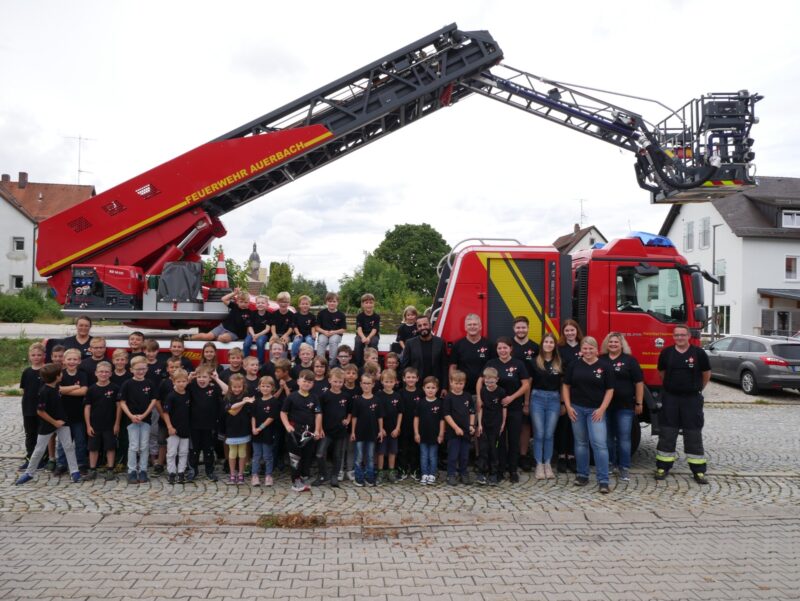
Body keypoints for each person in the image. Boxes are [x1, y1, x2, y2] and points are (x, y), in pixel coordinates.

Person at [655, 325, 712, 485]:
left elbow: (706, 374)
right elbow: (662, 373)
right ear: (673, 337)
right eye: (676, 335)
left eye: (682, 335)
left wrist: (698, 389)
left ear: (688, 336)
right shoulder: (666, 353)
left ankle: (698, 471)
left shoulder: (698, 353)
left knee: (693, 434)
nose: (679, 338)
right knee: (667, 433)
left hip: (691, 399)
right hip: (671, 398)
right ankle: (663, 467)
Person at [563, 336, 614, 494]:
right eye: (585, 348)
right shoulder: (574, 365)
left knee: (599, 444)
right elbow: (566, 386)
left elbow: (610, 390)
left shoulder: (605, 366)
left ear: (596, 349)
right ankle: (582, 475)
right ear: (581, 350)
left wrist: (602, 409)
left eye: (591, 348)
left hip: (595, 411)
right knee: (581, 444)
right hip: (577, 409)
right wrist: (568, 406)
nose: (587, 351)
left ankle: (603, 480)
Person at [16, 364, 81, 485]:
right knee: (39, 449)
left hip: (62, 422)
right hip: (48, 425)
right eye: (61, 373)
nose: (62, 374)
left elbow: (63, 389)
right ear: (57, 377)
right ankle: (29, 473)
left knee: (69, 447)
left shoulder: (56, 387)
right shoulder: (44, 391)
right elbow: (40, 411)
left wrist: (76, 386)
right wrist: (54, 422)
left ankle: (74, 472)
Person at [477, 337, 530, 483]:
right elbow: (480, 380)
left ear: (510, 348)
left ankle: (512, 470)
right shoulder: (491, 363)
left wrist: (512, 398)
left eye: (505, 348)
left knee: (513, 439)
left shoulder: (518, 364)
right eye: (499, 348)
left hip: (514, 408)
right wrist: (480, 398)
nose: (502, 350)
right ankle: (499, 470)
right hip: (495, 412)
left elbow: (525, 385)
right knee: (498, 440)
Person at [601, 332, 644, 482]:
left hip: (624, 406)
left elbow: (638, 383)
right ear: (606, 344)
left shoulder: (630, 361)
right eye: (610, 342)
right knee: (607, 438)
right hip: (604, 407)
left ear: (621, 344)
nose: (613, 344)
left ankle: (624, 468)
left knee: (624, 438)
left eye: (616, 342)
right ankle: (611, 464)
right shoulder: (601, 359)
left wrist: (639, 402)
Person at [280, 369, 323, 492]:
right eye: (304, 381)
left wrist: (318, 430)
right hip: (294, 432)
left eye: (310, 382)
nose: (306, 384)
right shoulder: (291, 397)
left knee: (307, 456)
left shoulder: (314, 397)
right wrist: (287, 425)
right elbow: (283, 413)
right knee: (295, 457)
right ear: (298, 381)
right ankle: (296, 481)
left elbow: (318, 414)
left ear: (313, 384)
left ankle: (304, 477)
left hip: (309, 433)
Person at [118, 356, 158, 484]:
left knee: (144, 445)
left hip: (145, 420)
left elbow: (153, 400)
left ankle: (143, 470)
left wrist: (144, 414)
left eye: (143, 369)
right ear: (131, 369)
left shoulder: (150, 383)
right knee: (134, 446)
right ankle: (132, 471)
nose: (141, 371)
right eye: (138, 369)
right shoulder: (127, 384)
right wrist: (131, 416)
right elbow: (122, 402)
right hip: (131, 420)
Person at [529, 332, 562, 480]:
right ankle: (539, 465)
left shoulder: (559, 362)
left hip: (554, 399)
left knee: (549, 434)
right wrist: (526, 402)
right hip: (537, 398)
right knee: (539, 434)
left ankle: (547, 464)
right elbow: (528, 383)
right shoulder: (535, 362)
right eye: (546, 342)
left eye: (551, 342)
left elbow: (563, 385)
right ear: (542, 345)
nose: (548, 344)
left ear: (554, 345)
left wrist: (562, 403)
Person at [83, 361, 120, 481]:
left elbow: (119, 407)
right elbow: (87, 407)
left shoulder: (115, 388)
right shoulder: (91, 389)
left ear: (110, 373)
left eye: (106, 372)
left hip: (110, 424)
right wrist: (88, 425)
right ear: (96, 373)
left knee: (110, 447)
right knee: (93, 448)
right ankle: (92, 469)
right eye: (101, 372)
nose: (103, 374)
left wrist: (117, 423)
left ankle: (110, 469)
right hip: (95, 424)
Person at [512, 316, 540, 472]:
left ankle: (523, 456)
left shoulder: (535, 347)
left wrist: (527, 401)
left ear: (528, 328)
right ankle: (511, 455)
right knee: (509, 424)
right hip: (510, 392)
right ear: (513, 329)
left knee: (525, 425)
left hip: (529, 392)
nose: (521, 330)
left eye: (523, 327)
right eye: (518, 327)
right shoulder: (508, 346)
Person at [556, 319, 584, 473]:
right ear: (563, 333)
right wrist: (561, 400)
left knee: (576, 425)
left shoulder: (583, 347)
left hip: (580, 392)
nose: (570, 333)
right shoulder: (560, 348)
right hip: (564, 390)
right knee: (563, 426)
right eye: (566, 331)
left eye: (572, 330)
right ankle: (561, 456)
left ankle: (572, 457)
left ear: (577, 331)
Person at [315, 367, 350, 487]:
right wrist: (320, 429)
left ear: (343, 382)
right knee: (320, 454)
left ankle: (334, 476)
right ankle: (323, 474)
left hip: (340, 431)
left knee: (337, 455)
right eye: (335, 381)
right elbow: (319, 413)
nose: (337, 384)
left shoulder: (346, 396)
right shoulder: (324, 396)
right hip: (326, 431)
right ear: (330, 380)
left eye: (340, 382)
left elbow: (350, 411)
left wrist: (348, 419)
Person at [56, 349, 89, 475]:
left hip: (79, 414)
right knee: (63, 443)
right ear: (64, 361)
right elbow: (57, 390)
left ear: (79, 361)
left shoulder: (82, 374)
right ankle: (62, 464)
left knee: (80, 442)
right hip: (63, 414)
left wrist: (66, 390)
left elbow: (84, 391)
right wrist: (75, 387)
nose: (72, 361)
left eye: (75, 359)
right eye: (69, 359)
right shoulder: (60, 374)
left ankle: (81, 463)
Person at [188, 365, 222, 482]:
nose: (201, 379)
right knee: (194, 449)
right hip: (194, 424)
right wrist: (189, 379)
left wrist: (217, 379)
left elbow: (227, 391)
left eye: (204, 377)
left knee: (209, 449)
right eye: (199, 377)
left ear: (210, 378)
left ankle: (210, 470)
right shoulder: (191, 386)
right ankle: (193, 470)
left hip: (210, 425)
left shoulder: (214, 387)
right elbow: (178, 388)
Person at [449, 313, 493, 398]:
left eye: (475, 324)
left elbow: (493, 368)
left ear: (480, 327)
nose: (472, 326)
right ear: (465, 327)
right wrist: (452, 388)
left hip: (484, 391)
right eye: (469, 324)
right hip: (462, 391)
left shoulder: (489, 345)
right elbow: (453, 367)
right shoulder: (458, 345)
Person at [443, 370, 475, 485]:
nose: (458, 386)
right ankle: (451, 474)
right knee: (453, 454)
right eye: (456, 383)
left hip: (466, 431)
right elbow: (446, 415)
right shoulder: (448, 398)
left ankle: (463, 473)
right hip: (453, 431)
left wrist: (471, 425)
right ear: (451, 383)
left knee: (464, 455)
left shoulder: (467, 396)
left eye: (461, 383)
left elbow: (472, 411)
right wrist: (456, 428)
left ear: (464, 383)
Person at [350, 373, 382, 486]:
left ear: (373, 384)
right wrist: (353, 432)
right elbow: (354, 417)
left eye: (369, 383)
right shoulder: (358, 400)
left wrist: (381, 430)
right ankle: (359, 477)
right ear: (361, 384)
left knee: (370, 456)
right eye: (364, 383)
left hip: (372, 432)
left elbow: (379, 417)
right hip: (359, 433)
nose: (366, 386)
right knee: (358, 456)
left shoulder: (377, 400)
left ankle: (370, 477)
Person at [400, 314, 448, 390]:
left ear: (430, 325)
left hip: (435, 387)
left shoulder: (440, 342)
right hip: (415, 387)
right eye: (419, 326)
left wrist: (445, 387)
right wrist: (406, 387)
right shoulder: (410, 343)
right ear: (417, 328)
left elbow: (444, 366)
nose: (422, 327)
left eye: (425, 324)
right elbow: (405, 367)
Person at [476, 366, 506, 486]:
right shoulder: (483, 391)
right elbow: (480, 409)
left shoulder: (501, 391)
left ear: (497, 379)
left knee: (494, 449)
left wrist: (503, 423)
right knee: (483, 449)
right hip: (485, 423)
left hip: (496, 424)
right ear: (484, 380)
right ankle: (482, 473)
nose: (489, 383)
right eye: (487, 381)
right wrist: (479, 424)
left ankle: (493, 473)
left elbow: (504, 408)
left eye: (492, 381)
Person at [161, 368, 192, 484]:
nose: (181, 384)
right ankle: (171, 473)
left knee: (183, 452)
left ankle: (181, 472)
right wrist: (169, 427)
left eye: (183, 381)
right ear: (174, 382)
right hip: (173, 429)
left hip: (185, 428)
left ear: (187, 382)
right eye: (178, 381)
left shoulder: (188, 394)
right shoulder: (171, 396)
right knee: (172, 452)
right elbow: (165, 413)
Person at [223, 374, 253, 485]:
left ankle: (240, 474)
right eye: (234, 387)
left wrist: (245, 401)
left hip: (243, 428)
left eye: (239, 387)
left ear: (243, 386)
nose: (237, 389)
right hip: (231, 429)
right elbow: (232, 409)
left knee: (242, 453)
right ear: (230, 387)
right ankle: (232, 473)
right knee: (232, 453)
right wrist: (244, 402)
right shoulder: (227, 397)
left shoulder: (246, 396)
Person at [19, 342, 45, 470]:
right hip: (28, 408)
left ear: (44, 355)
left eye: (39, 355)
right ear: (29, 356)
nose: (36, 357)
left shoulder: (46, 371)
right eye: (33, 355)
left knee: (42, 434)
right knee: (30, 434)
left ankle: (42, 459)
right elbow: (25, 390)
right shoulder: (27, 372)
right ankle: (30, 458)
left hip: (43, 409)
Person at [250, 376, 280, 487]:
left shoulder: (274, 402)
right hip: (256, 432)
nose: (265, 388)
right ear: (259, 387)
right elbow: (253, 416)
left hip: (268, 432)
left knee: (267, 455)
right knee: (256, 455)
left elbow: (271, 418)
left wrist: (259, 428)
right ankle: (255, 475)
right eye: (263, 386)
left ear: (272, 388)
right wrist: (253, 428)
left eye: (268, 386)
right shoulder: (256, 401)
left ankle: (268, 475)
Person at [414, 376, 444, 485]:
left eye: (433, 388)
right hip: (422, 435)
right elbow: (416, 418)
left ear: (437, 389)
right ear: (423, 388)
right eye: (428, 387)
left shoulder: (440, 403)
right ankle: (424, 474)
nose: (430, 390)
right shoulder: (420, 403)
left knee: (433, 455)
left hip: (434, 435)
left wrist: (441, 434)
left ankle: (432, 474)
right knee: (423, 455)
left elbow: (442, 420)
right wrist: (416, 433)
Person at [375, 368, 402, 482]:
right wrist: (380, 429)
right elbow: (376, 413)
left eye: (391, 382)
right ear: (381, 381)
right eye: (386, 381)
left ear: (395, 382)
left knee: (392, 451)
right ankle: (380, 472)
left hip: (393, 429)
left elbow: (400, 413)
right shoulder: (378, 395)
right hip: (382, 429)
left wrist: (398, 428)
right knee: (381, 451)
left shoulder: (397, 396)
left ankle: (391, 471)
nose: (388, 384)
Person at [316, 292, 347, 363]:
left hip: (336, 334)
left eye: (334, 301)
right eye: (330, 301)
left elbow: (343, 329)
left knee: (333, 341)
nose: (332, 303)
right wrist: (324, 332)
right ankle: (320, 362)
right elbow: (317, 327)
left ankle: (332, 364)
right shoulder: (321, 313)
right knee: (321, 341)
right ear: (326, 302)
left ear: (337, 302)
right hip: (324, 333)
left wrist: (334, 332)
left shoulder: (341, 315)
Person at [243, 294, 271, 363]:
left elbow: (267, 329)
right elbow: (250, 326)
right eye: (258, 303)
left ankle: (260, 363)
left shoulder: (269, 315)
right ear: (256, 305)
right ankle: (246, 361)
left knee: (260, 342)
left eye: (262, 303)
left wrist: (257, 335)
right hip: (252, 334)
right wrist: (253, 335)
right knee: (246, 343)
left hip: (263, 334)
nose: (260, 304)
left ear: (267, 304)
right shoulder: (253, 313)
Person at [354, 293, 381, 366]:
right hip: (362, 334)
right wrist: (363, 337)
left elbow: (374, 329)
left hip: (372, 335)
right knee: (358, 342)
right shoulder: (360, 316)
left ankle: (373, 363)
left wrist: (368, 338)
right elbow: (359, 329)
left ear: (374, 304)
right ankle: (358, 364)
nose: (369, 305)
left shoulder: (376, 316)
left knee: (373, 342)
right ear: (362, 304)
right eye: (366, 303)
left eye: (371, 303)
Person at [291, 295, 317, 360]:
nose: (305, 305)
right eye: (303, 304)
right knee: (297, 341)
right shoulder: (296, 315)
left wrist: (313, 334)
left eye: (306, 304)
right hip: (298, 333)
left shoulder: (312, 316)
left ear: (309, 305)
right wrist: (298, 333)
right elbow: (295, 326)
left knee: (310, 341)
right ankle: (294, 357)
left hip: (308, 334)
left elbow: (313, 326)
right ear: (299, 305)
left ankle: (311, 357)